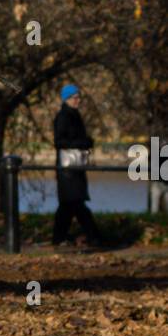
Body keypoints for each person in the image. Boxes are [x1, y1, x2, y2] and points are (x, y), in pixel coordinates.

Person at [52, 84, 103, 247]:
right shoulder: (63, 116)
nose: (78, 100)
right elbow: (59, 141)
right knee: (76, 204)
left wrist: (86, 142)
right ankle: (94, 236)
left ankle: (59, 238)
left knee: (68, 206)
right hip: (68, 168)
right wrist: (83, 142)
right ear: (67, 99)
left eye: (78, 97)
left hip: (75, 166)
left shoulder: (75, 115)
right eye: (75, 97)